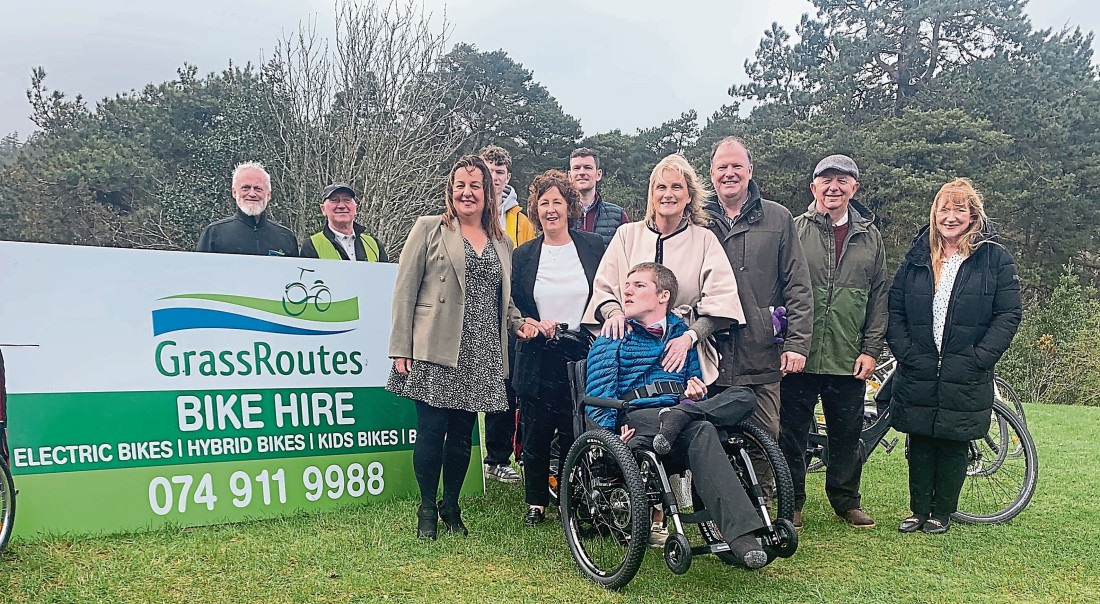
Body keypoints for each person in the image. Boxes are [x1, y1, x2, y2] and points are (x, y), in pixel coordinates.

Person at [386, 155, 538, 540]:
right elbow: (404, 292)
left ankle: (451, 505)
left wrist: (520, 325)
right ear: (450, 190)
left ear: (489, 193)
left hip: (481, 351)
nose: (466, 193)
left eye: (475, 186)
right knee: (432, 432)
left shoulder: (502, 242)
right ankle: (426, 507)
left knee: (463, 436)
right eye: (460, 185)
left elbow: (504, 303)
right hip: (434, 347)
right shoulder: (428, 229)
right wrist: (400, 347)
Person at [585, 262, 768, 568]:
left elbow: (692, 383)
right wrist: (609, 438)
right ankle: (742, 538)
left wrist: (693, 395)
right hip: (638, 417)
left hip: (677, 422)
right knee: (703, 428)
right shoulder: (613, 334)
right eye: (626, 285)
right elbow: (599, 397)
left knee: (744, 395)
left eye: (639, 285)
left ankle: (681, 416)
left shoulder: (681, 335)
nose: (627, 290)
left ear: (663, 295)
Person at [888, 178, 1021, 535]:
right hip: (920, 365)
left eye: (958, 209)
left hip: (967, 367)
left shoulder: (994, 258)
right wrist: (907, 353)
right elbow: (895, 307)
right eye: (944, 209)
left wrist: (981, 357)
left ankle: (942, 512)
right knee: (920, 439)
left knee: (952, 440)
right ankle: (918, 510)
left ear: (972, 214)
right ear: (935, 213)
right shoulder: (918, 255)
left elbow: (1008, 314)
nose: (950, 217)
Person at [779, 154, 888, 530]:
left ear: (854, 188)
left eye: (842, 181)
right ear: (814, 188)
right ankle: (791, 504)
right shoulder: (794, 230)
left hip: (848, 356)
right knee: (790, 434)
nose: (833, 187)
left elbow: (878, 298)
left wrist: (871, 349)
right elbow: (782, 291)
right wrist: (785, 342)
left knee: (847, 433)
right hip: (800, 355)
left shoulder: (871, 236)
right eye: (826, 180)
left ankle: (846, 501)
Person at [581, 153, 745, 386]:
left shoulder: (704, 240)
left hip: (684, 355)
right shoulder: (627, 235)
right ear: (652, 194)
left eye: (676, 187)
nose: (668, 194)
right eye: (661, 187)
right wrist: (615, 314)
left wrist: (689, 337)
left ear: (689, 195)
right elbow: (604, 290)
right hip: (630, 354)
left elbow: (723, 302)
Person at [510, 170, 605, 526]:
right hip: (538, 351)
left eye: (557, 202)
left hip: (581, 352)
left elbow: (605, 291)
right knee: (535, 431)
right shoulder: (523, 255)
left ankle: (571, 498)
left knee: (574, 429)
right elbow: (514, 305)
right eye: (543, 203)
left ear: (569, 206)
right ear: (535, 209)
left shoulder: (593, 245)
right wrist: (530, 325)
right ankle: (536, 501)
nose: (551, 210)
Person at [704, 136, 814, 445]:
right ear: (711, 174)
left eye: (737, 165)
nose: (730, 173)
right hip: (709, 354)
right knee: (709, 444)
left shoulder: (779, 218)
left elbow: (798, 286)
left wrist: (797, 344)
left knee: (765, 442)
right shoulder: (695, 219)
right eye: (722, 167)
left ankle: (763, 496)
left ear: (750, 170)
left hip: (761, 356)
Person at [478, 144, 536, 484]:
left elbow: (525, 272)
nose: (494, 177)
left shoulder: (522, 222)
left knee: (503, 390)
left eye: (500, 172)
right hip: (471, 313)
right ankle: (467, 459)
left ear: (507, 178)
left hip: (508, 315)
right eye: (489, 170)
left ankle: (497, 459)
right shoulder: (464, 212)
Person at [196, 161, 298, 256]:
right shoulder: (214, 234)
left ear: (268, 195)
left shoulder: (286, 238)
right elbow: (200, 273)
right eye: (246, 188)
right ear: (234, 192)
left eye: (258, 189)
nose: (252, 194)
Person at [299, 183, 388, 261]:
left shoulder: (373, 245)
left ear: (355, 208)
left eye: (347, 200)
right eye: (334, 200)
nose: (341, 206)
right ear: (323, 209)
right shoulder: (312, 246)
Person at [567, 147, 629, 245]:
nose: (582, 172)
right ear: (570, 176)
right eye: (576, 168)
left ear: (598, 174)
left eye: (588, 167)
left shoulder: (618, 216)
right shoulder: (561, 215)